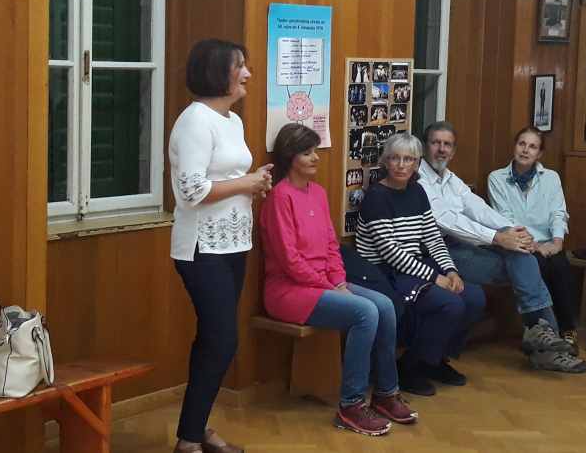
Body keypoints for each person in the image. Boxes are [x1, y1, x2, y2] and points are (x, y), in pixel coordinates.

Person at [260, 124, 416, 437]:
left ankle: (385, 393)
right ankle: (351, 406)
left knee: (384, 305)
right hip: (288, 291)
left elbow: (332, 247)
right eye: (307, 153)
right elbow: (290, 261)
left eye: (315, 151)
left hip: (324, 284)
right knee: (365, 311)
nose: (316, 158)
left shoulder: (317, 193)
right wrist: (330, 286)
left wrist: (339, 282)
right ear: (290, 157)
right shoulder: (279, 197)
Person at [169, 39, 273, 453]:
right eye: (239, 66)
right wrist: (247, 182)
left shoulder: (232, 121)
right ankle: (190, 437)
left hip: (234, 244)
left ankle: (194, 431)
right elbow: (192, 190)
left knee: (216, 341)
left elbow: (227, 180)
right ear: (218, 72)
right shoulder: (195, 121)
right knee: (222, 340)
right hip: (200, 248)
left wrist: (254, 183)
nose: (247, 74)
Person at [418, 122, 585, 373]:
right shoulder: (419, 179)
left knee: (521, 255)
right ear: (425, 147)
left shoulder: (450, 179)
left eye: (447, 144)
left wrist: (513, 231)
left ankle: (542, 338)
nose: (441, 149)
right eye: (435, 143)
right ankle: (547, 345)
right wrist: (497, 238)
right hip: (438, 253)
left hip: (464, 245)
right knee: (523, 261)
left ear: (453, 150)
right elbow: (448, 221)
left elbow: (478, 208)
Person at [356, 133, 486, 397]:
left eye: (408, 159)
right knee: (449, 304)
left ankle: (436, 360)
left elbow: (433, 238)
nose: (401, 165)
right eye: (395, 158)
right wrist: (435, 278)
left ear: (417, 164)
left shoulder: (417, 191)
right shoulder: (376, 197)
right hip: (386, 273)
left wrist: (450, 270)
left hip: (415, 266)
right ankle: (411, 366)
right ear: (385, 161)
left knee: (474, 297)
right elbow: (390, 252)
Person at [488, 127, 578, 351]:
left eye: (532, 146)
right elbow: (505, 219)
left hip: (548, 243)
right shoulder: (496, 178)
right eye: (522, 144)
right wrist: (534, 245)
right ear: (514, 146)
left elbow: (558, 212)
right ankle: (544, 333)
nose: (525, 150)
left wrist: (557, 242)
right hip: (516, 244)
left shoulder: (551, 178)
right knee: (537, 265)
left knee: (560, 265)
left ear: (539, 154)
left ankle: (567, 331)